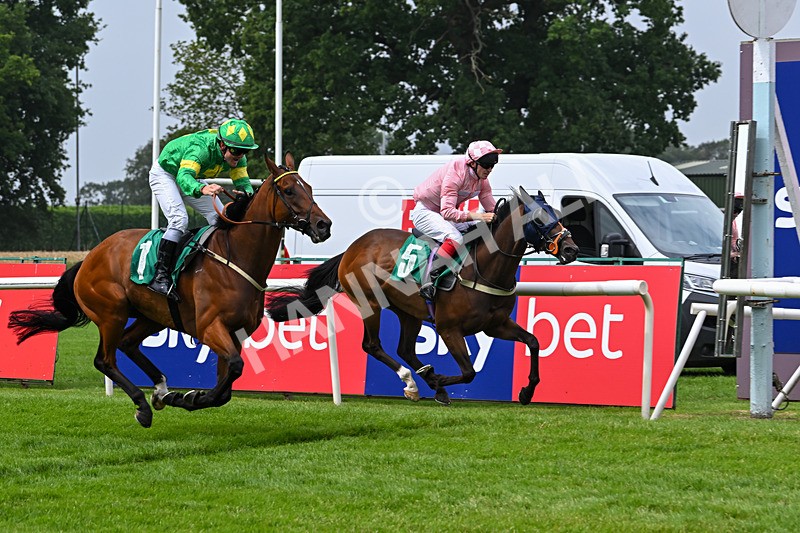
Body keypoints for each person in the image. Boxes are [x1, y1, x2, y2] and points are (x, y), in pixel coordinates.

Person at [147, 118, 259, 299]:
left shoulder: (238, 157)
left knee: (220, 217)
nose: (240, 156)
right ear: (222, 145)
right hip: (167, 174)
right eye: (237, 151)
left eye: (245, 151)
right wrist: (202, 188)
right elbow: (184, 177)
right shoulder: (201, 149)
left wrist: (247, 195)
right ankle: (160, 276)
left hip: (193, 176)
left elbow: (243, 183)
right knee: (179, 219)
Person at [411, 140, 501, 300]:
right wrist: (479, 216)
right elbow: (447, 212)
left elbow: (490, 206)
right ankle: (429, 281)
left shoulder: (482, 179)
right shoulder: (455, 173)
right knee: (455, 237)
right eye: (486, 164)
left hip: (442, 212)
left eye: (493, 164)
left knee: (478, 227)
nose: (490, 169)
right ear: (472, 163)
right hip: (425, 211)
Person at [730, 192, 744, 278]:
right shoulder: (720, 222)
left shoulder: (733, 223)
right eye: (734, 210)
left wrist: (737, 252)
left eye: (739, 211)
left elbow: (734, 240)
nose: (736, 214)